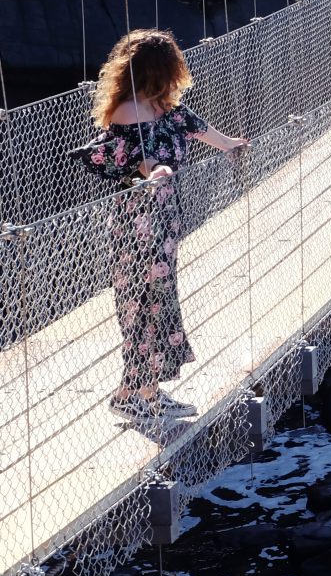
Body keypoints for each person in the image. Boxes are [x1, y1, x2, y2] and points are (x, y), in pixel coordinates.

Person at [71, 28, 248, 427]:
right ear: (161, 69)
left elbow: (199, 129)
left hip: (164, 218)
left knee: (157, 301)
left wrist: (231, 145)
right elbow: (134, 158)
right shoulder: (128, 111)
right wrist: (156, 171)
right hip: (139, 220)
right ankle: (135, 395)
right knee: (145, 303)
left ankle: (141, 393)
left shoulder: (163, 107)